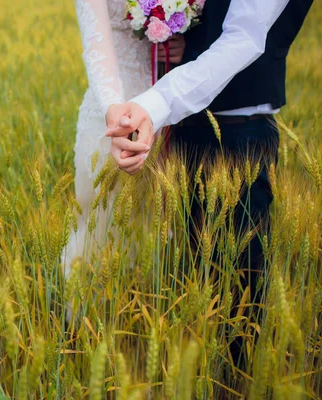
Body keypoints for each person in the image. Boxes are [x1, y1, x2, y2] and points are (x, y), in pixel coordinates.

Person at [104, 0, 313, 372]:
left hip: (239, 140)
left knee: (240, 303)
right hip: (184, 133)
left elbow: (242, 39)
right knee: (193, 284)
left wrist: (154, 103)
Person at [61, 0, 185, 280]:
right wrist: (117, 117)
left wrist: (181, 46)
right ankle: (86, 319)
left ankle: (144, 312)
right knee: (98, 224)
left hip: (165, 111)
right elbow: (96, 49)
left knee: (153, 226)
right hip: (110, 113)